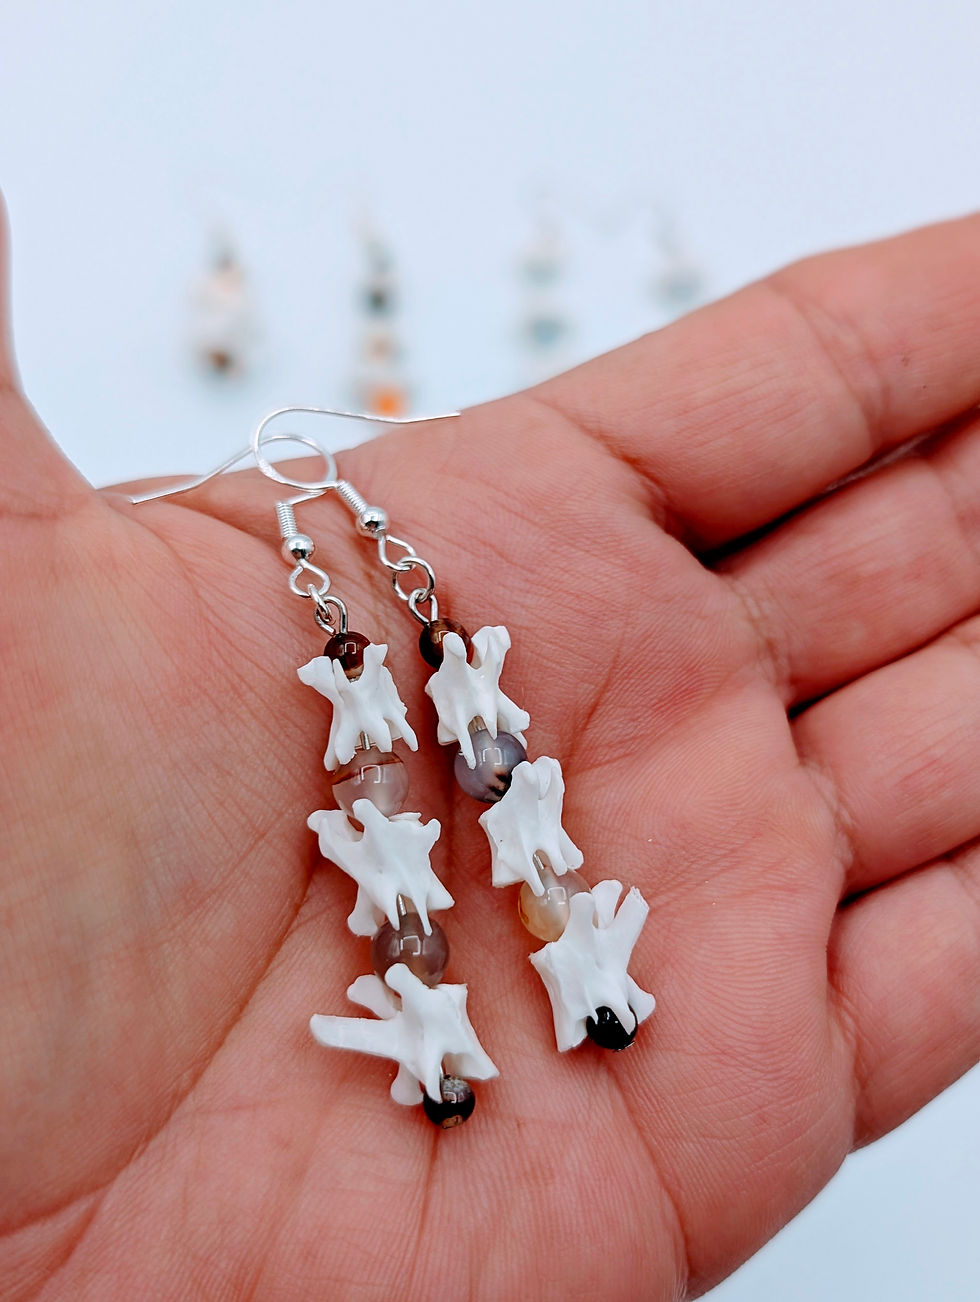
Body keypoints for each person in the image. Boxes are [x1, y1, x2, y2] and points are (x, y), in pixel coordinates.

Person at [1, 196, 978, 1301]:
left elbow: (476, 955)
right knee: (439, 818)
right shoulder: (525, 995)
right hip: (453, 834)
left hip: (481, 827)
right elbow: (491, 947)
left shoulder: (556, 983)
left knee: (461, 812)